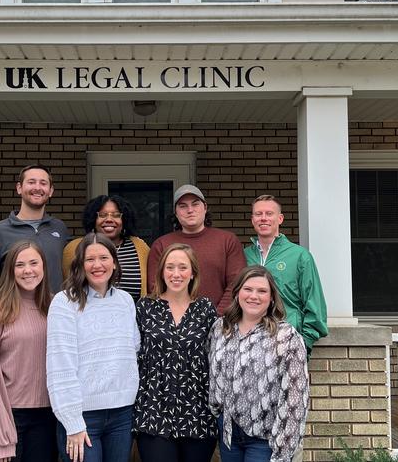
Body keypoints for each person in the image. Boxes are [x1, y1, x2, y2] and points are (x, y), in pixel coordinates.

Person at [46, 232, 140, 462]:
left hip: (122, 414)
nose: (97, 265)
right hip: (83, 416)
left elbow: (133, 350)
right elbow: (60, 367)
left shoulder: (126, 301)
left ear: (114, 263)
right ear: (80, 264)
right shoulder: (64, 302)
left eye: (104, 258)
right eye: (90, 259)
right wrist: (72, 422)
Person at [208, 265, 308, 462]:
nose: (254, 296)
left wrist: (283, 449)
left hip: (265, 438)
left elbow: (295, 398)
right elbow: (211, 372)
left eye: (262, 291)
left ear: (271, 298)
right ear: (237, 293)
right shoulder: (221, 328)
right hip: (228, 433)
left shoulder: (286, 337)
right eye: (248, 289)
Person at [0, 240, 58, 462]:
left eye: (33, 263)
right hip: (6, 417)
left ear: (44, 267)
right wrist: (2, 441)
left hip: (46, 418)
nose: (28, 270)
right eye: (20, 265)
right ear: (10, 271)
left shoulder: (55, 307)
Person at [134, 243, 217, 462]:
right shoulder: (145, 307)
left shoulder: (205, 309)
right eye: (170, 267)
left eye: (183, 267)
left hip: (197, 411)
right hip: (153, 410)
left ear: (193, 273)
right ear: (162, 272)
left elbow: (216, 356)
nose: (176, 274)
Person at [0, 164, 69, 308]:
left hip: (54, 317)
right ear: (19, 188)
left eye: (43, 183)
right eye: (31, 182)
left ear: (50, 191)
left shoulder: (59, 228)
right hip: (15, 321)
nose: (37, 187)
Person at [244, 195, 328, 357]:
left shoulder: (300, 256)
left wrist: (304, 343)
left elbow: (314, 304)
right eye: (258, 214)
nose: (263, 218)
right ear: (252, 219)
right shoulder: (244, 256)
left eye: (269, 214)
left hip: (287, 344)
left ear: (280, 218)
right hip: (249, 345)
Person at [147, 184, 246, 314]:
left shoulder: (228, 241)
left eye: (195, 204)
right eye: (183, 206)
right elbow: (155, 288)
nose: (190, 210)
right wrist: (178, 319)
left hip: (220, 323)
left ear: (205, 208)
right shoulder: (161, 245)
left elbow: (236, 284)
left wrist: (215, 318)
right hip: (174, 325)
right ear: (176, 212)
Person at [63, 195, 150, 301]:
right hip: (85, 314)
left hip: (131, 316)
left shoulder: (141, 248)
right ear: (93, 219)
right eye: (102, 215)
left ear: (125, 219)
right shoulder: (74, 248)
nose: (109, 219)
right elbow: (69, 288)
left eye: (116, 215)